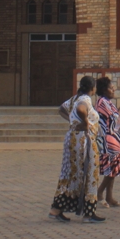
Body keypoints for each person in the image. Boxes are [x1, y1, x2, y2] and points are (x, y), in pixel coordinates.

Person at [48, 75, 104, 224]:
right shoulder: (85, 99)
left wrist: (72, 121)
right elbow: (81, 109)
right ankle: (88, 213)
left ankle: (56, 209)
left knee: (72, 173)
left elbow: (62, 109)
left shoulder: (74, 98)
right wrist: (84, 122)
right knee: (89, 173)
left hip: (73, 138)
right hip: (84, 140)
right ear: (92, 88)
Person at [95, 77, 120, 207]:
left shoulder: (108, 103)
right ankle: (99, 193)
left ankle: (109, 196)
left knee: (113, 168)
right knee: (112, 168)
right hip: (108, 140)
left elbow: (115, 118)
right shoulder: (102, 103)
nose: (113, 89)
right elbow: (113, 119)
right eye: (111, 88)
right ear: (104, 90)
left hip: (115, 139)